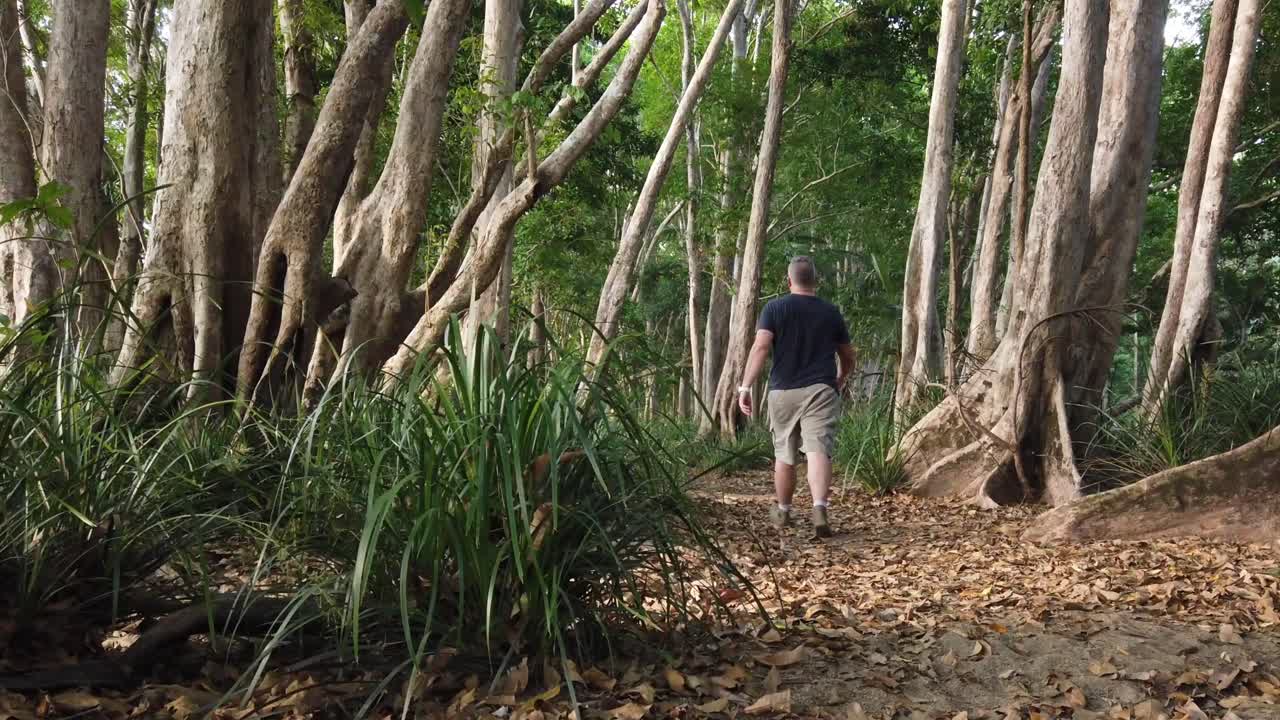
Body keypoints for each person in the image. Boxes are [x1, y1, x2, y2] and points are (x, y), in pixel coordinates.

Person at [737, 256, 856, 538]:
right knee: (818, 450)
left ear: (789, 281)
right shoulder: (830, 312)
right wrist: (840, 377)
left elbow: (761, 347)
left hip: (783, 391)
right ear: (816, 281)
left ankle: (785, 511)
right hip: (821, 389)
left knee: (785, 454)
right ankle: (819, 511)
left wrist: (745, 387)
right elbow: (848, 355)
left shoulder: (775, 308)